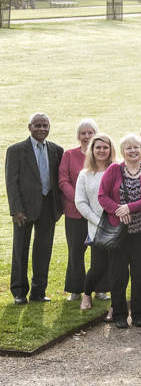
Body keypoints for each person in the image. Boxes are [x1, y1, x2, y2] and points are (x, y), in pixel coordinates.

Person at [98, 133, 141, 327]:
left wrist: (130, 208)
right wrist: (117, 209)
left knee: (140, 274)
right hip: (118, 233)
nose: (133, 151)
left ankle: (139, 315)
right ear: (123, 151)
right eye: (128, 148)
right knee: (118, 275)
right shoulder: (114, 169)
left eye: (136, 147)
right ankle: (120, 315)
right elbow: (102, 195)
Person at [8, 113, 64, 305]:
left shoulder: (56, 150)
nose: (42, 129)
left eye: (45, 126)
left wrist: (60, 208)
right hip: (24, 209)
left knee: (44, 250)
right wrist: (16, 209)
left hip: (48, 207)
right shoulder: (16, 150)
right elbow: (11, 182)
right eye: (38, 125)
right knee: (20, 249)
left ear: (49, 127)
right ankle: (19, 292)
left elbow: (59, 181)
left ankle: (38, 292)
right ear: (29, 127)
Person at [74, 132, 115, 312]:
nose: (101, 150)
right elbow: (80, 202)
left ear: (110, 149)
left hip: (117, 226)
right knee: (98, 266)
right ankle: (87, 294)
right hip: (96, 227)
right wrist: (97, 221)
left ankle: (116, 303)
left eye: (105, 147)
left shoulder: (117, 170)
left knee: (116, 266)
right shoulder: (85, 175)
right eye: (98, 147)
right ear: (92, 150)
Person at [57, 118, 97, 301]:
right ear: (78, 136)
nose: (87, 136)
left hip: (97, 212)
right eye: (83, 133)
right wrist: (79, 200)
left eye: (90, 132)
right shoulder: (69, 155)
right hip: (74, 211)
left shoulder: (101, 153)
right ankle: (75, 289)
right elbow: (63, 180)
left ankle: (100, 288)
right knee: (75, 251)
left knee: (99, 251)